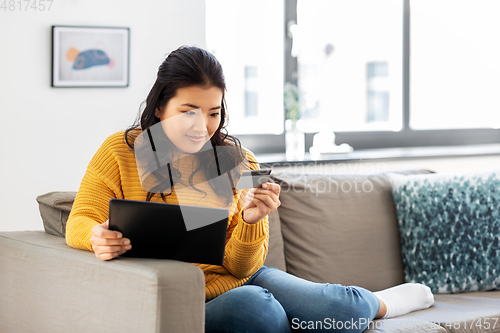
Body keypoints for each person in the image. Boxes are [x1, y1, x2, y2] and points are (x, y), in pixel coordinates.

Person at [66, 46, 434, 332]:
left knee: (342, 310)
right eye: (189, 110)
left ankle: (386, 302)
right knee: (258, 308)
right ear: (161, 106)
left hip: (243, 276)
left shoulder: (239, 161)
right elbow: (80, 219)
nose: (202, 126)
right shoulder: (122, 150)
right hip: (182, 292)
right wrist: (96, 235)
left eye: (213, 112)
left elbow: (242, 266)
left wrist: (251, 219)